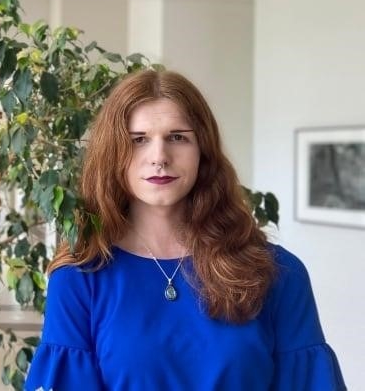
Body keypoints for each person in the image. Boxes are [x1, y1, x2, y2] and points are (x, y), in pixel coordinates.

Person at [24, 70, 346, 390]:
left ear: (202, 151)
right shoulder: (80, 278)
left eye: (178, 137)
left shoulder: (278, 272)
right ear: (113, 154)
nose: (159, 157)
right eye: (138, 140)